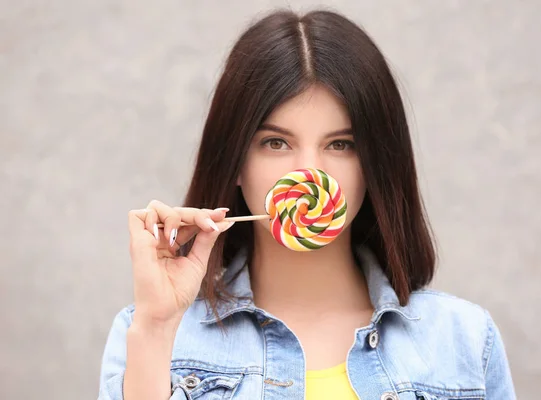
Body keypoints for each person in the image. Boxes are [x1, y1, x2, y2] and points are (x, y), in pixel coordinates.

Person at [98, 8, 516, 400]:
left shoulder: (463, 341)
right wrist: (156, 327)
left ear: (374, 165)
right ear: (236, 162)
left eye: (341, 144)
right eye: (275, 142)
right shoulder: (151, 331)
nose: (309, 172)